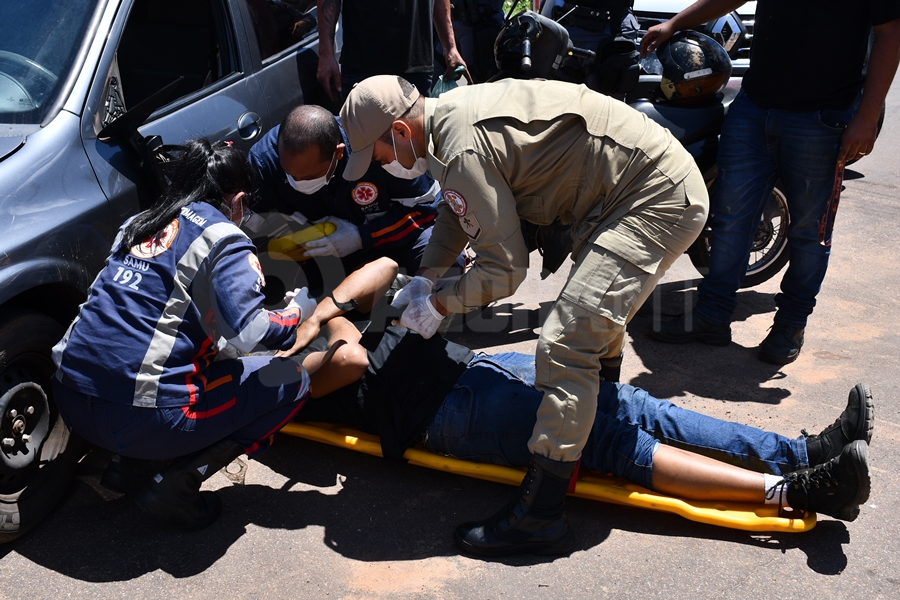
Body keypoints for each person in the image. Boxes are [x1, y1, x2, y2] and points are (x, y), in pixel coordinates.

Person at [338, 75, 709, 555]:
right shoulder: (449, 124)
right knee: (592, 314)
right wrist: (428, 276)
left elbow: (505, 270)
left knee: (566, 341)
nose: (384, 167)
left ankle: (541, 514)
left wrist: (438, 305)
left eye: (381, 155)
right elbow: (458, 209)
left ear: (401, 132)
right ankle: (600, 421)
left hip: (652, 198)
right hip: (628, 189)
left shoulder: (460, 147)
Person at [280, 258, 874, 556]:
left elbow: (383, 269)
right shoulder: (270, 379)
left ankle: (801, 452)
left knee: (632, 405)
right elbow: (351, 362)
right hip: (445, 414)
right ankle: (799, 492)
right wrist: (321, 333)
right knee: (612, 443)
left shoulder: (298, 325)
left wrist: (319, 310)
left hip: (472, 370)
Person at [50, 139, 376, 530]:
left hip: (70, 398)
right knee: (291, 379)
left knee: (157, 345)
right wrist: (297, 311)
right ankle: (175, 485)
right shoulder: (225, 237)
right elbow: (252, 333)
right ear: (237, 200)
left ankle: (128, 466)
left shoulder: (140, 222)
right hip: (144, 420)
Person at [643, 1, 900, 364]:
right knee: (730, 219)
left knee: (810, 231)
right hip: (755, 106)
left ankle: (790, 324)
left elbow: (890, 32)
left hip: (823, 117)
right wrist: (674, 24)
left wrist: (868, 115)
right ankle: (712, 315)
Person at [248, 105, 461, 280]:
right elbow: (255, 234)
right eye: (290, 176)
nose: (297, 182)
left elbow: (427, 210)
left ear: (338, 153)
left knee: (447, 265)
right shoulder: (264, 162)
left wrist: (361, 237)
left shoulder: (377, 146)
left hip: (395, 238)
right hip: (329, 256)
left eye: (308, 177)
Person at [316, 0, 467, 101]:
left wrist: (450, 47)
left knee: (417, 144)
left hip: (416, 64)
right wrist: (326, 52)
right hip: (363, 65)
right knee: (365, 146)